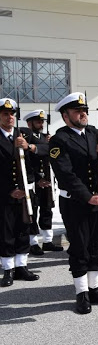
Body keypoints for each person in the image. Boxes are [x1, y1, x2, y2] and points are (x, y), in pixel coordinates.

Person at [49, 92, 98, 313]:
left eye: (84, 110)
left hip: (97, 201)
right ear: (66, 116)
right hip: (75, 202)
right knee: (80, 247)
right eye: (77, 111)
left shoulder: (95, 133)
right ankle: (82, 293)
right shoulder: (59, 139)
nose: (83, 113)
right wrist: (87, 196)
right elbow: (66, 174)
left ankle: (96, 289)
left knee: (96, 246)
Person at [0, 98, 40, 287]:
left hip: (25, 192)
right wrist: (9, 190)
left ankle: (21, 267)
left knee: (24, 228)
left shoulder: (25, 134)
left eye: (12, 114)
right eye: (5, 114)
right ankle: (8, 269)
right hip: (5, 194)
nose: (10, 117)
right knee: (6, 231)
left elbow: (46, 149)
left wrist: (29, 146)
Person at [21, 109, 62, 254]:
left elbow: (52, 152)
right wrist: (38, 179)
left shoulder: (47, 138)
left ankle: (47, 241)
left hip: (48, 179)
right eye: (38, 121)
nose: (41, 123)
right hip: (34, 180)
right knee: (33, 211)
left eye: (42, 121)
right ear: (29, 123)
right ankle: (32, 242)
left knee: (47, 209)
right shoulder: (26, 137)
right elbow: (26, 162)